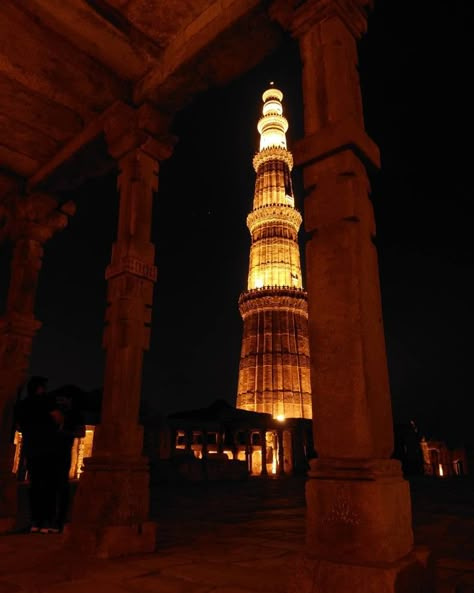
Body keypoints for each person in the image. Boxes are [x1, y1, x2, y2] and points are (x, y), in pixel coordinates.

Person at [16, 376, 61, 533]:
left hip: (31, 449)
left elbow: (19, 426)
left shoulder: (23, 405)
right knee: (49, 485)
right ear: (41, 388)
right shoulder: (47, 401)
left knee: (35, 485)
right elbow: (57, 418)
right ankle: (48, 522)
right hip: (48, 448)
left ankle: (35, 521)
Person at [51, 388, 85, 532]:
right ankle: (48, 520)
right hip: (49, 451)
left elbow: (81, 432)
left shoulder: (75, 415)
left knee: (62, 486)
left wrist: (63, 432)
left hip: (63, 451)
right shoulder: (53, 413)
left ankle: (60, 520)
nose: (61, 402)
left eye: (64, 399)